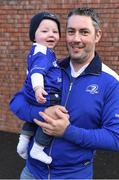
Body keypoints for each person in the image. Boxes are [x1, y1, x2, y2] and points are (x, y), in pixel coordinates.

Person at [10, 7, 119, 179]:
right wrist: (42, 114)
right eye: (71, 31)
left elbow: (115, 139)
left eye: (84, 32)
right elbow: (16, 102)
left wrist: (67, 131)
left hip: (73, 175)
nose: (76, 39)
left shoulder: (111, 82)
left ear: (97, 35)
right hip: (32, 173)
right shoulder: (50, 68)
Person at [9, 11, 66, 164]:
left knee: (34, 116)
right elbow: (37, 72)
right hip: (44, 93)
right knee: (51, 116)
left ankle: (24, 139)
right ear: (34, 36)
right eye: (45, 31)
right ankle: (38, 148)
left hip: (34, 95)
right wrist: (38, 88)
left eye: (55, 31)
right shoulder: (42, 52)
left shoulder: (41, 51)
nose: (51, 34)